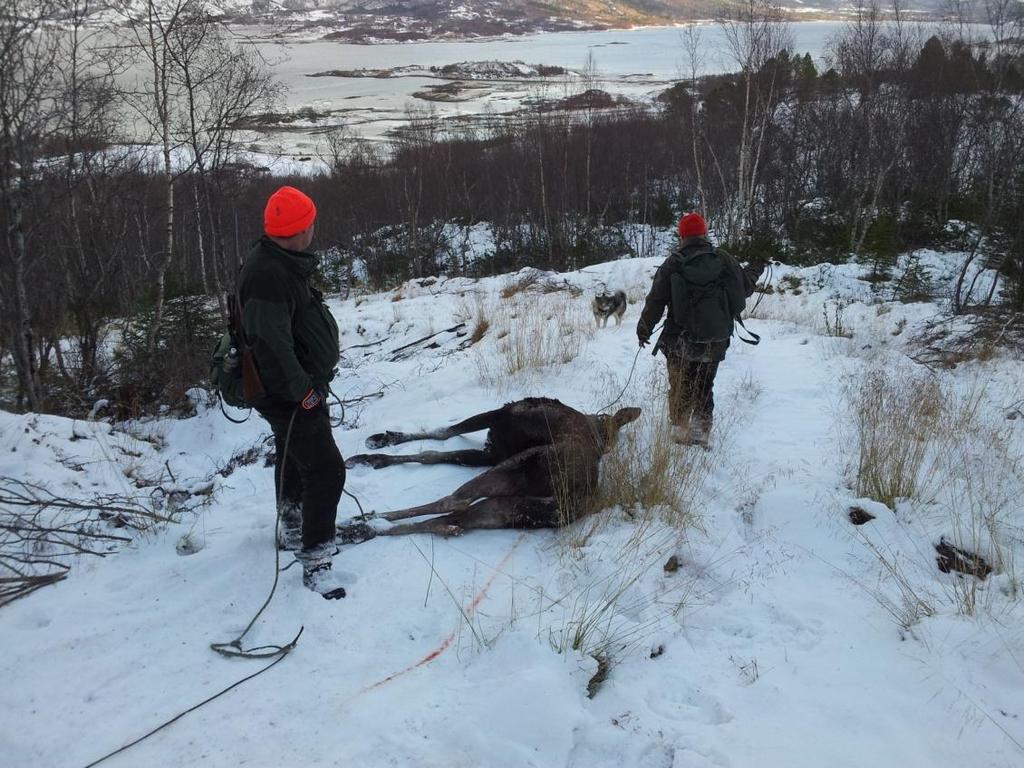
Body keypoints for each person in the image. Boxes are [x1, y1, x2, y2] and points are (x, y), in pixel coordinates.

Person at [238, 185, 347, 599]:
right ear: (301, 229)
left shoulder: (279, 263)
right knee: (326, 469)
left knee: (290, 452)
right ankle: (317, 561)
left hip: (287, 390)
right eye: (312, 223)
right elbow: (270, 344)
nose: (314, 229)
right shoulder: (268, 273)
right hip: (287, 392)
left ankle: (292, 522)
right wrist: (304, 392)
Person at [636, 213, 766, 447]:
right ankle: (700, 431)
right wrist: (757, 268)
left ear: (682, 235)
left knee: (679, 383)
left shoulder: (673, 263)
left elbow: (655, 300)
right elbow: (744, 287)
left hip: (679, 340)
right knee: (705, 384)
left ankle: (679, 430)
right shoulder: (723, 259)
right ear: (704, 233)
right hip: (715, 340)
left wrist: (644, 329)